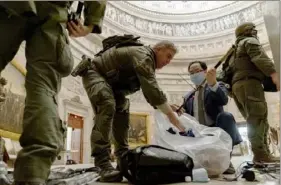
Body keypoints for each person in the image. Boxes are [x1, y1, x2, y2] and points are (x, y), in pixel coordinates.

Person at [0, 2, 106, 185]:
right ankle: (33, 174)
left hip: (11, 6)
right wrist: (90, 24)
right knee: (43, 87)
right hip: (52, 13)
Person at [82, 41, 186, 182]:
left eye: (171, 58)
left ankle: (123, 160)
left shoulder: (146, 59)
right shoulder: (143, 54)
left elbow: (150, 88)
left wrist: (168, 105)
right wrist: (172, 117)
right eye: (168, 56)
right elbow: (152, 89)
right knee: (107, 104)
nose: (168, 61)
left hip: (113, 85)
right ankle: (102, 163)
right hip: (95, 73)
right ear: (158, 49)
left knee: (123, 111)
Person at [171, 61, 242, 174]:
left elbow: (223, 100)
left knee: (226, 116)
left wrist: (213, 83)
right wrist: (178, 112)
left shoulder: (216, 85)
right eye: (191, 73)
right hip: (197, 131)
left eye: (197, 71)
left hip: (215, 129)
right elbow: (187, 117)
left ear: (205, 71)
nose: (194, 74)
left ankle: (226, 161)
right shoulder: (188, 96)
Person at [231, 22, 280, 163]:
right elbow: (259, 57)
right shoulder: (249, 41)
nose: (256, 33)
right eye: (254, 30)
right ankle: (261, 155)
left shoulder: (232, 52)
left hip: (237, 88)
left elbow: (224, 75)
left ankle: (262, 154)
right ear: (249, 31)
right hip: (250, 84)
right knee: (258, 119)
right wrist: (273, 73)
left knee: (253, 119)